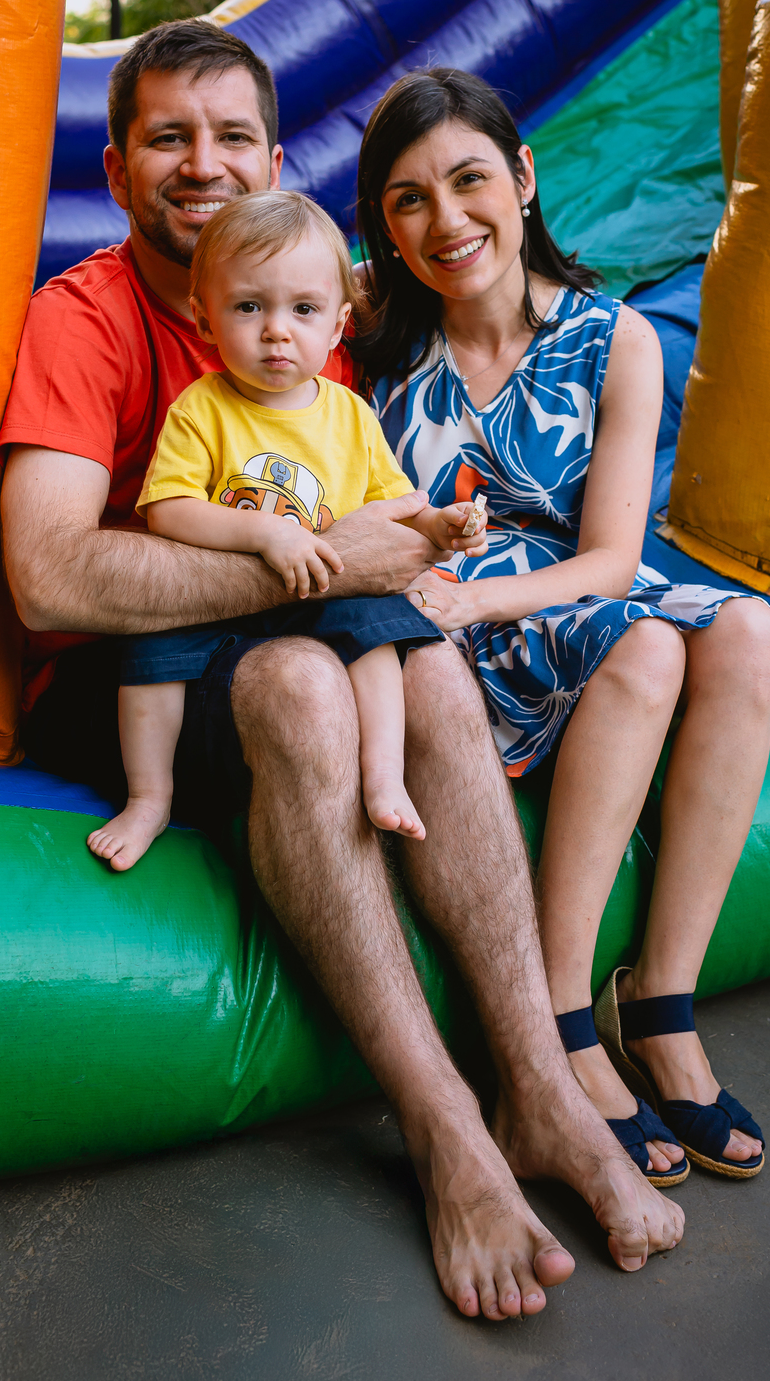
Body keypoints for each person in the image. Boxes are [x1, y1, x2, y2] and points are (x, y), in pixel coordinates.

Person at [0, 19, 684, 1323]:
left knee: (417, 666)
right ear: (117, 161)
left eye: (233, 136)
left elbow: (450, 418)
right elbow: (48, 576)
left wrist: (445, 548)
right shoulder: (85, 318)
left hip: (318, 635)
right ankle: (445, 1130)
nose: (203, 164)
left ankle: (538, 1084)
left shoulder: (328, 307)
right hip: (134, 676)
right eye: (168, 138)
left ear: (273, 159)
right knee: (308, 682)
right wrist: (311, 559)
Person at [357, 66, 770, 1186]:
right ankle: (561, 1016)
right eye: (409, 199)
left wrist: (483, 594)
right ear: (384, 225)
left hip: (554, 592)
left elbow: (611, 556)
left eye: (470, 180)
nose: (447, 220)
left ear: (522, 176)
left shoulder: (613, 339)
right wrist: (445, 595)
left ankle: (659, 1000)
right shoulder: (368, 336)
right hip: (443, 618)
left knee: (748, 631)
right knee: (651, 640)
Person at [87, 187, 489, 871]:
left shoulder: (350, 416)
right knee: (147, 650)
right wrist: (266, 536)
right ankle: (149, 798)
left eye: (302, 310)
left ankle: (383, 773)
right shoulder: (202, 410)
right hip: (226, 603)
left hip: (323, 596)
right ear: (205, 318)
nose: (277, 330)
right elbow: (169, 509)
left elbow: (396, 500)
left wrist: (444, 522)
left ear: (336, 326)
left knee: (382, 630)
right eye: (249, 307)